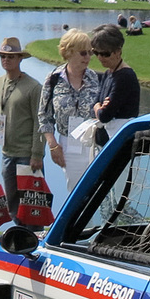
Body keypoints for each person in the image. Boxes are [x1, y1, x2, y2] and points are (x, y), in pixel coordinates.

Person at [39, 28, 103, 190]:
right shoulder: (53, 78)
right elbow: (44, 115)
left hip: (94, 142)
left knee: (98, 189)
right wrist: (53, 145)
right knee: (75, 190)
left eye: (90, 53)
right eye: (83, 53)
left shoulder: (95, 77)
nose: (88, 57)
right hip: (68, 143)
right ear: (68, 52)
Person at [0, 37, 43, 229]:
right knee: (12, 199)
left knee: (31, 202)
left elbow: (40, 122)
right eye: (3, 56)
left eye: (11, 57)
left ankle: (35, 238)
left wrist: (37, 154)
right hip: (7, 153)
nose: (6, 60)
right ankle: (19, 235)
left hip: (27, 154)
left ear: (20, 58)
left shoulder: (33, 87)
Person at [91, 24, 140, 159]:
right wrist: (99, 106)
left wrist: (100, 108)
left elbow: (105, 115)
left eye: (105, 53)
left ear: (118, 51)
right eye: (96, 52)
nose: (100, 57)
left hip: (120, 145)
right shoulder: (108, 73)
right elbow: (94, 105)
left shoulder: (124, 76)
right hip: (105, 144)